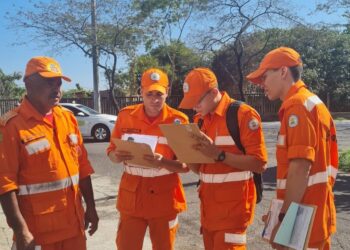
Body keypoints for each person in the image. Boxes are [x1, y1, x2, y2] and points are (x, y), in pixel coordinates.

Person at [0, 56, 99, 250]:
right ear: (28, 83)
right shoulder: (11, 126)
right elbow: (4, 184)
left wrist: (92, 208)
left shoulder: (67, 119)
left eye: (59, 83)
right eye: (49, 82)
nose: (57, 89)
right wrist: (20, 230)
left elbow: (83, 169)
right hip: (37, 235)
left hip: (74, 228)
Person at [246, 47, 338, 249]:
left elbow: (300, 168)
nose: (261, 84)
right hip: (314, 214)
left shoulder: (297, 106)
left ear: (283, 71)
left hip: (303, 225)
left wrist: (284, 221)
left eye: (264, 77)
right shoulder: (311, 102)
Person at [179, 67, 267, 250]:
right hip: (208, 213)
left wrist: (219, 155)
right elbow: (200, 170)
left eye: (197, 101)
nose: (195, 106)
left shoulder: (243, 115)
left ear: (213, 92)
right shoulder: (200, 120)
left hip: (233, 214)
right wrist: (187, 153)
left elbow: (259, 164)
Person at [107, 68, 189, 250]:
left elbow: (185, 167)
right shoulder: (125, 116)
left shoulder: (178, 120)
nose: (155, 99)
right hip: (132, 198)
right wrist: (116, 156)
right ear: (141, 92)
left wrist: (162, 162)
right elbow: (111, 152)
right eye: (149, 94)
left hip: (164, 199)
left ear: (167, 93)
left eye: (159, 94)